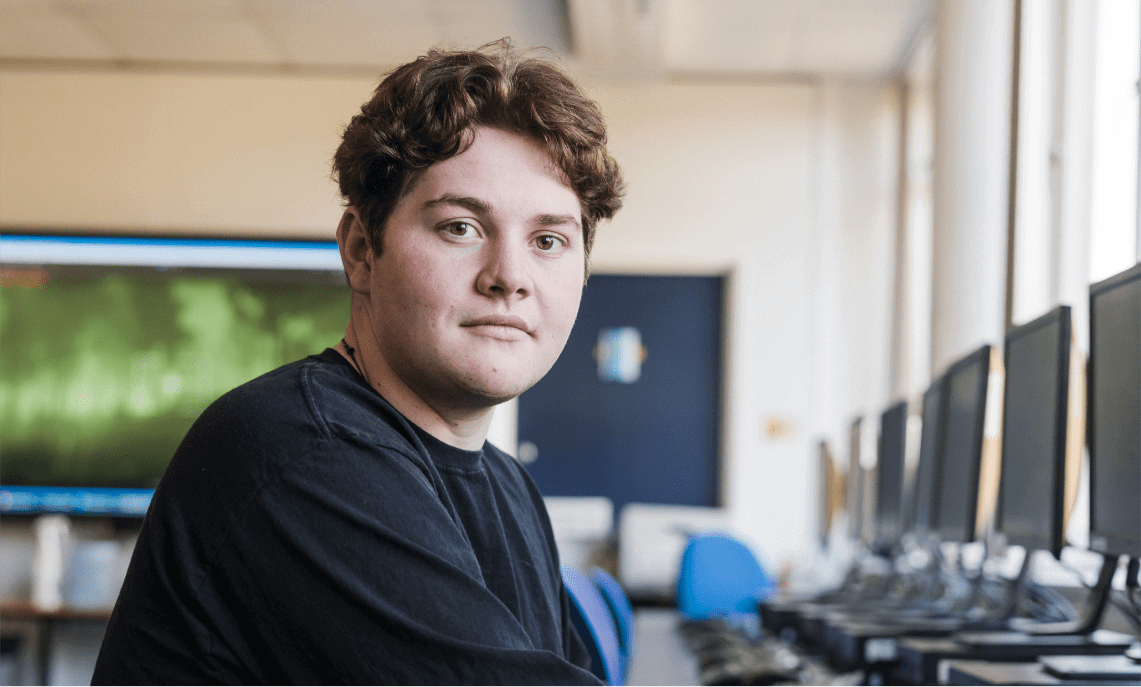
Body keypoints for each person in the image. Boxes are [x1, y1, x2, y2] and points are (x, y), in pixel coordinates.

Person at [91, 39, 624, 685]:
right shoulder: (302, 450)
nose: (509, 277)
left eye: (548, 240)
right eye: (460, 226)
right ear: (360, 249)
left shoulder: (508, 486)